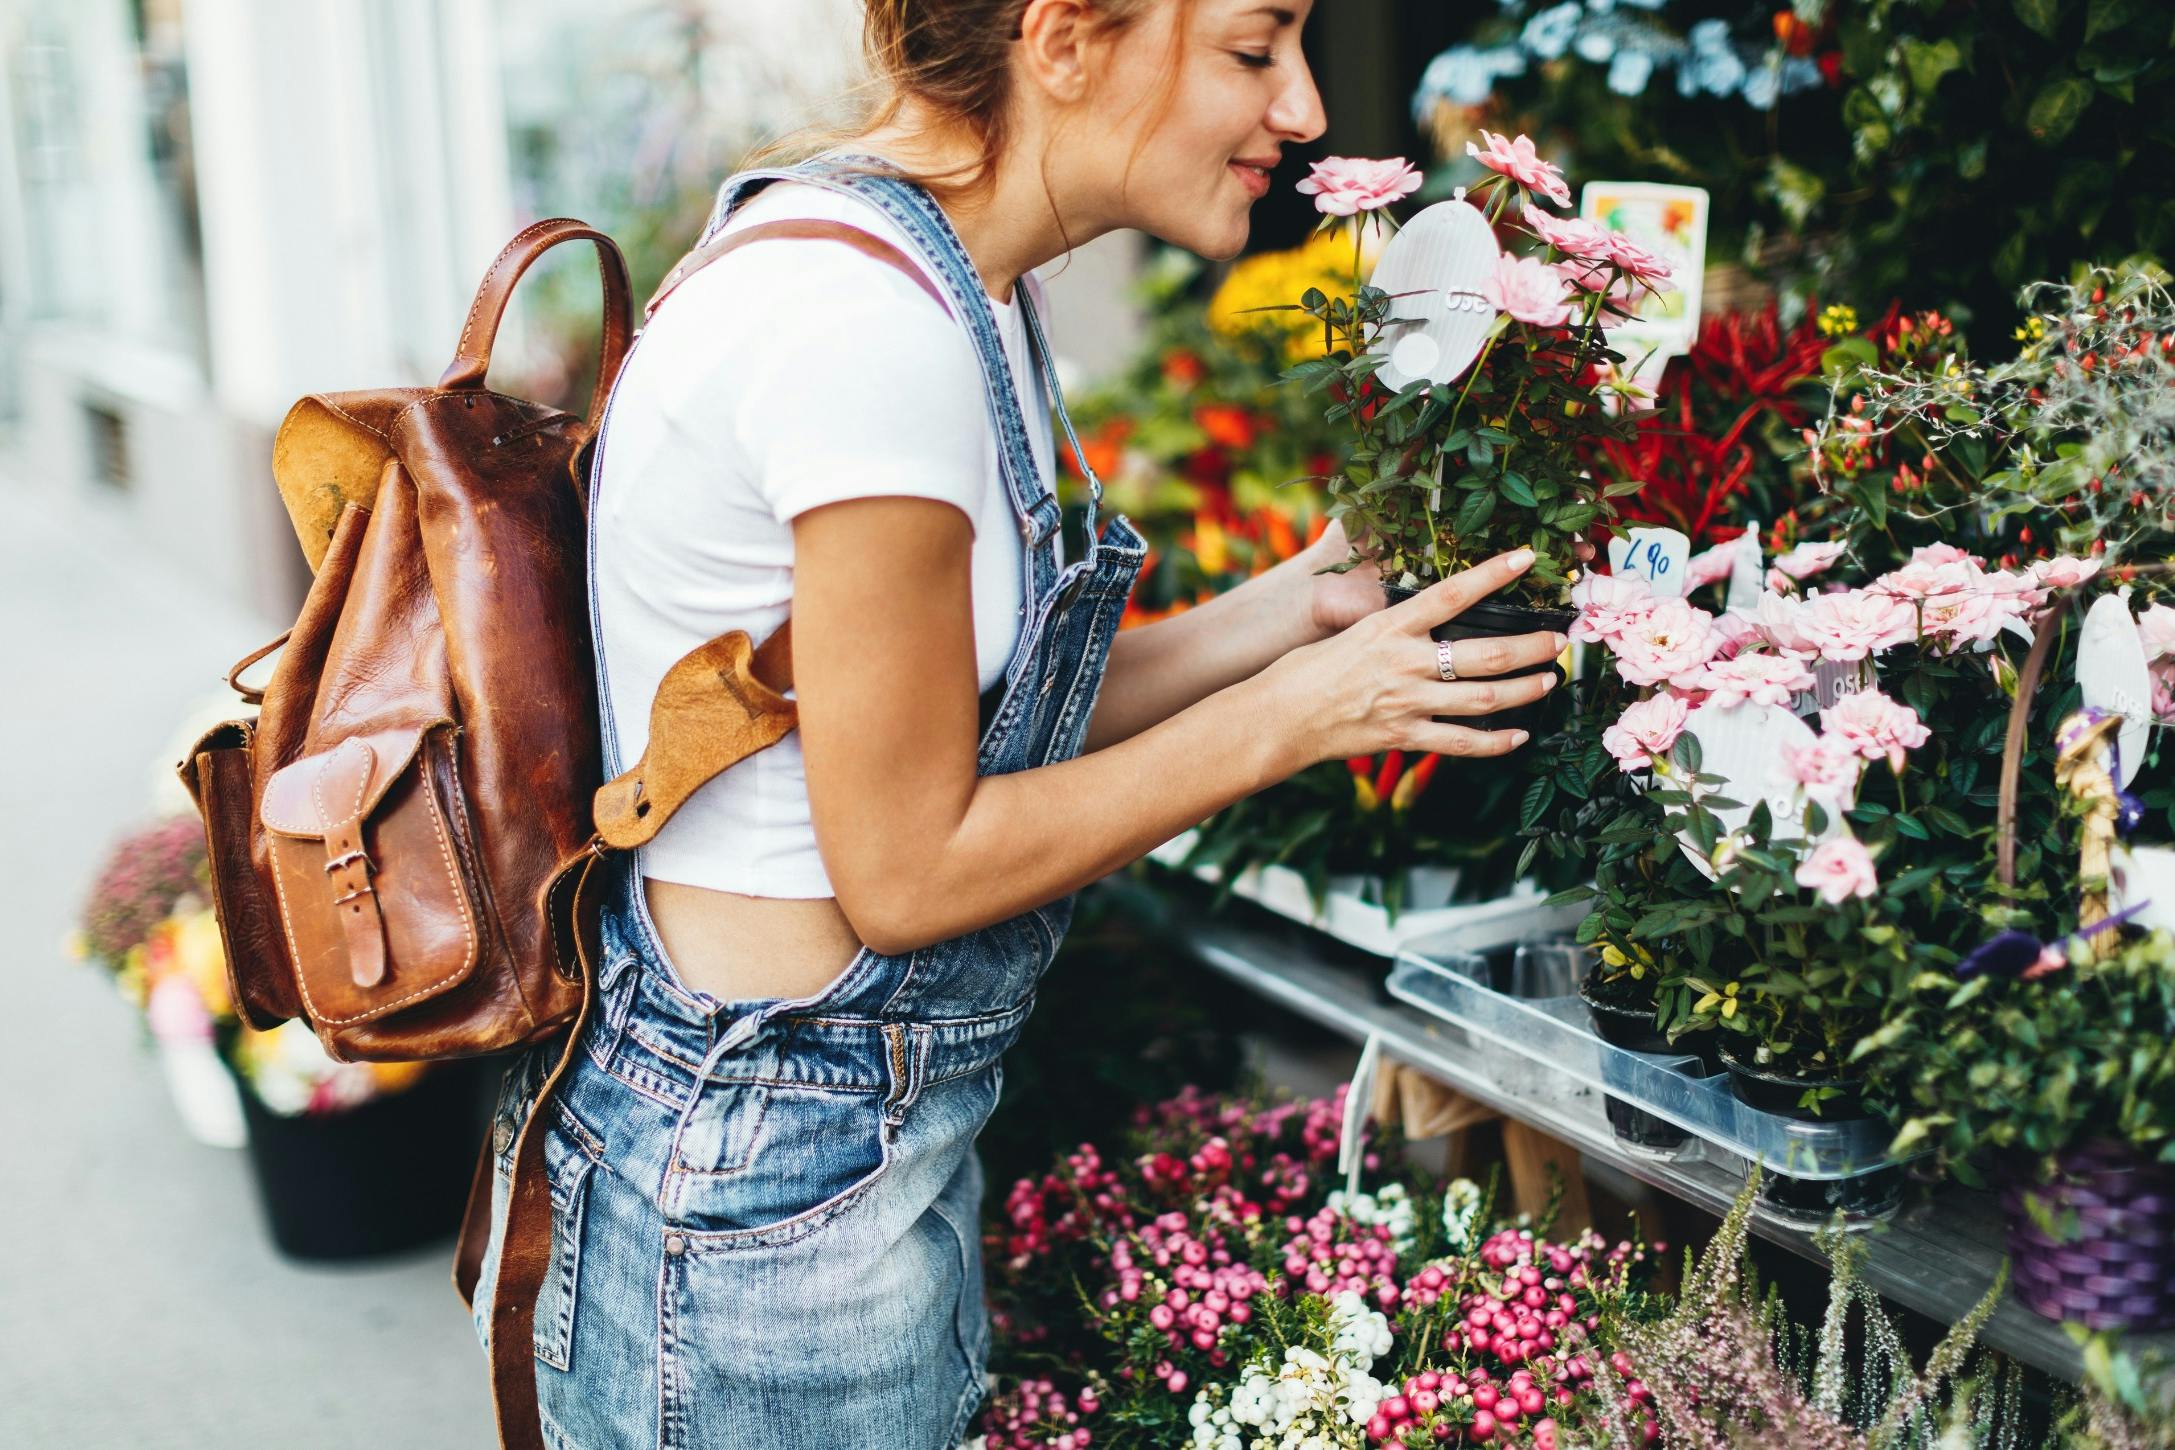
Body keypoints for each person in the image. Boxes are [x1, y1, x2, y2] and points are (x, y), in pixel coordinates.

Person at [468, 1, 1567, 1444]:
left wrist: (1288, 614)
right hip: (774, 1177)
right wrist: (1294, 720)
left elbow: (949, 725)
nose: (1302, 108)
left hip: (795, 1131)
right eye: (1254, 48)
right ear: (1062, 41)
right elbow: (912, 864)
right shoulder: (869, 332)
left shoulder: (927, 274)